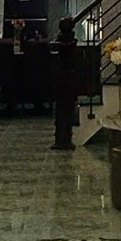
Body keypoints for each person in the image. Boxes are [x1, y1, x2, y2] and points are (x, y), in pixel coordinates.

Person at [52, 16, 81, 150]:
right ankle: (64, 138)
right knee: (66, 107)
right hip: (68, 78)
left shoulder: (63, 43)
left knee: (63, 108)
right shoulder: (70, 43)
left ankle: (62, 138)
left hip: (63, 78)